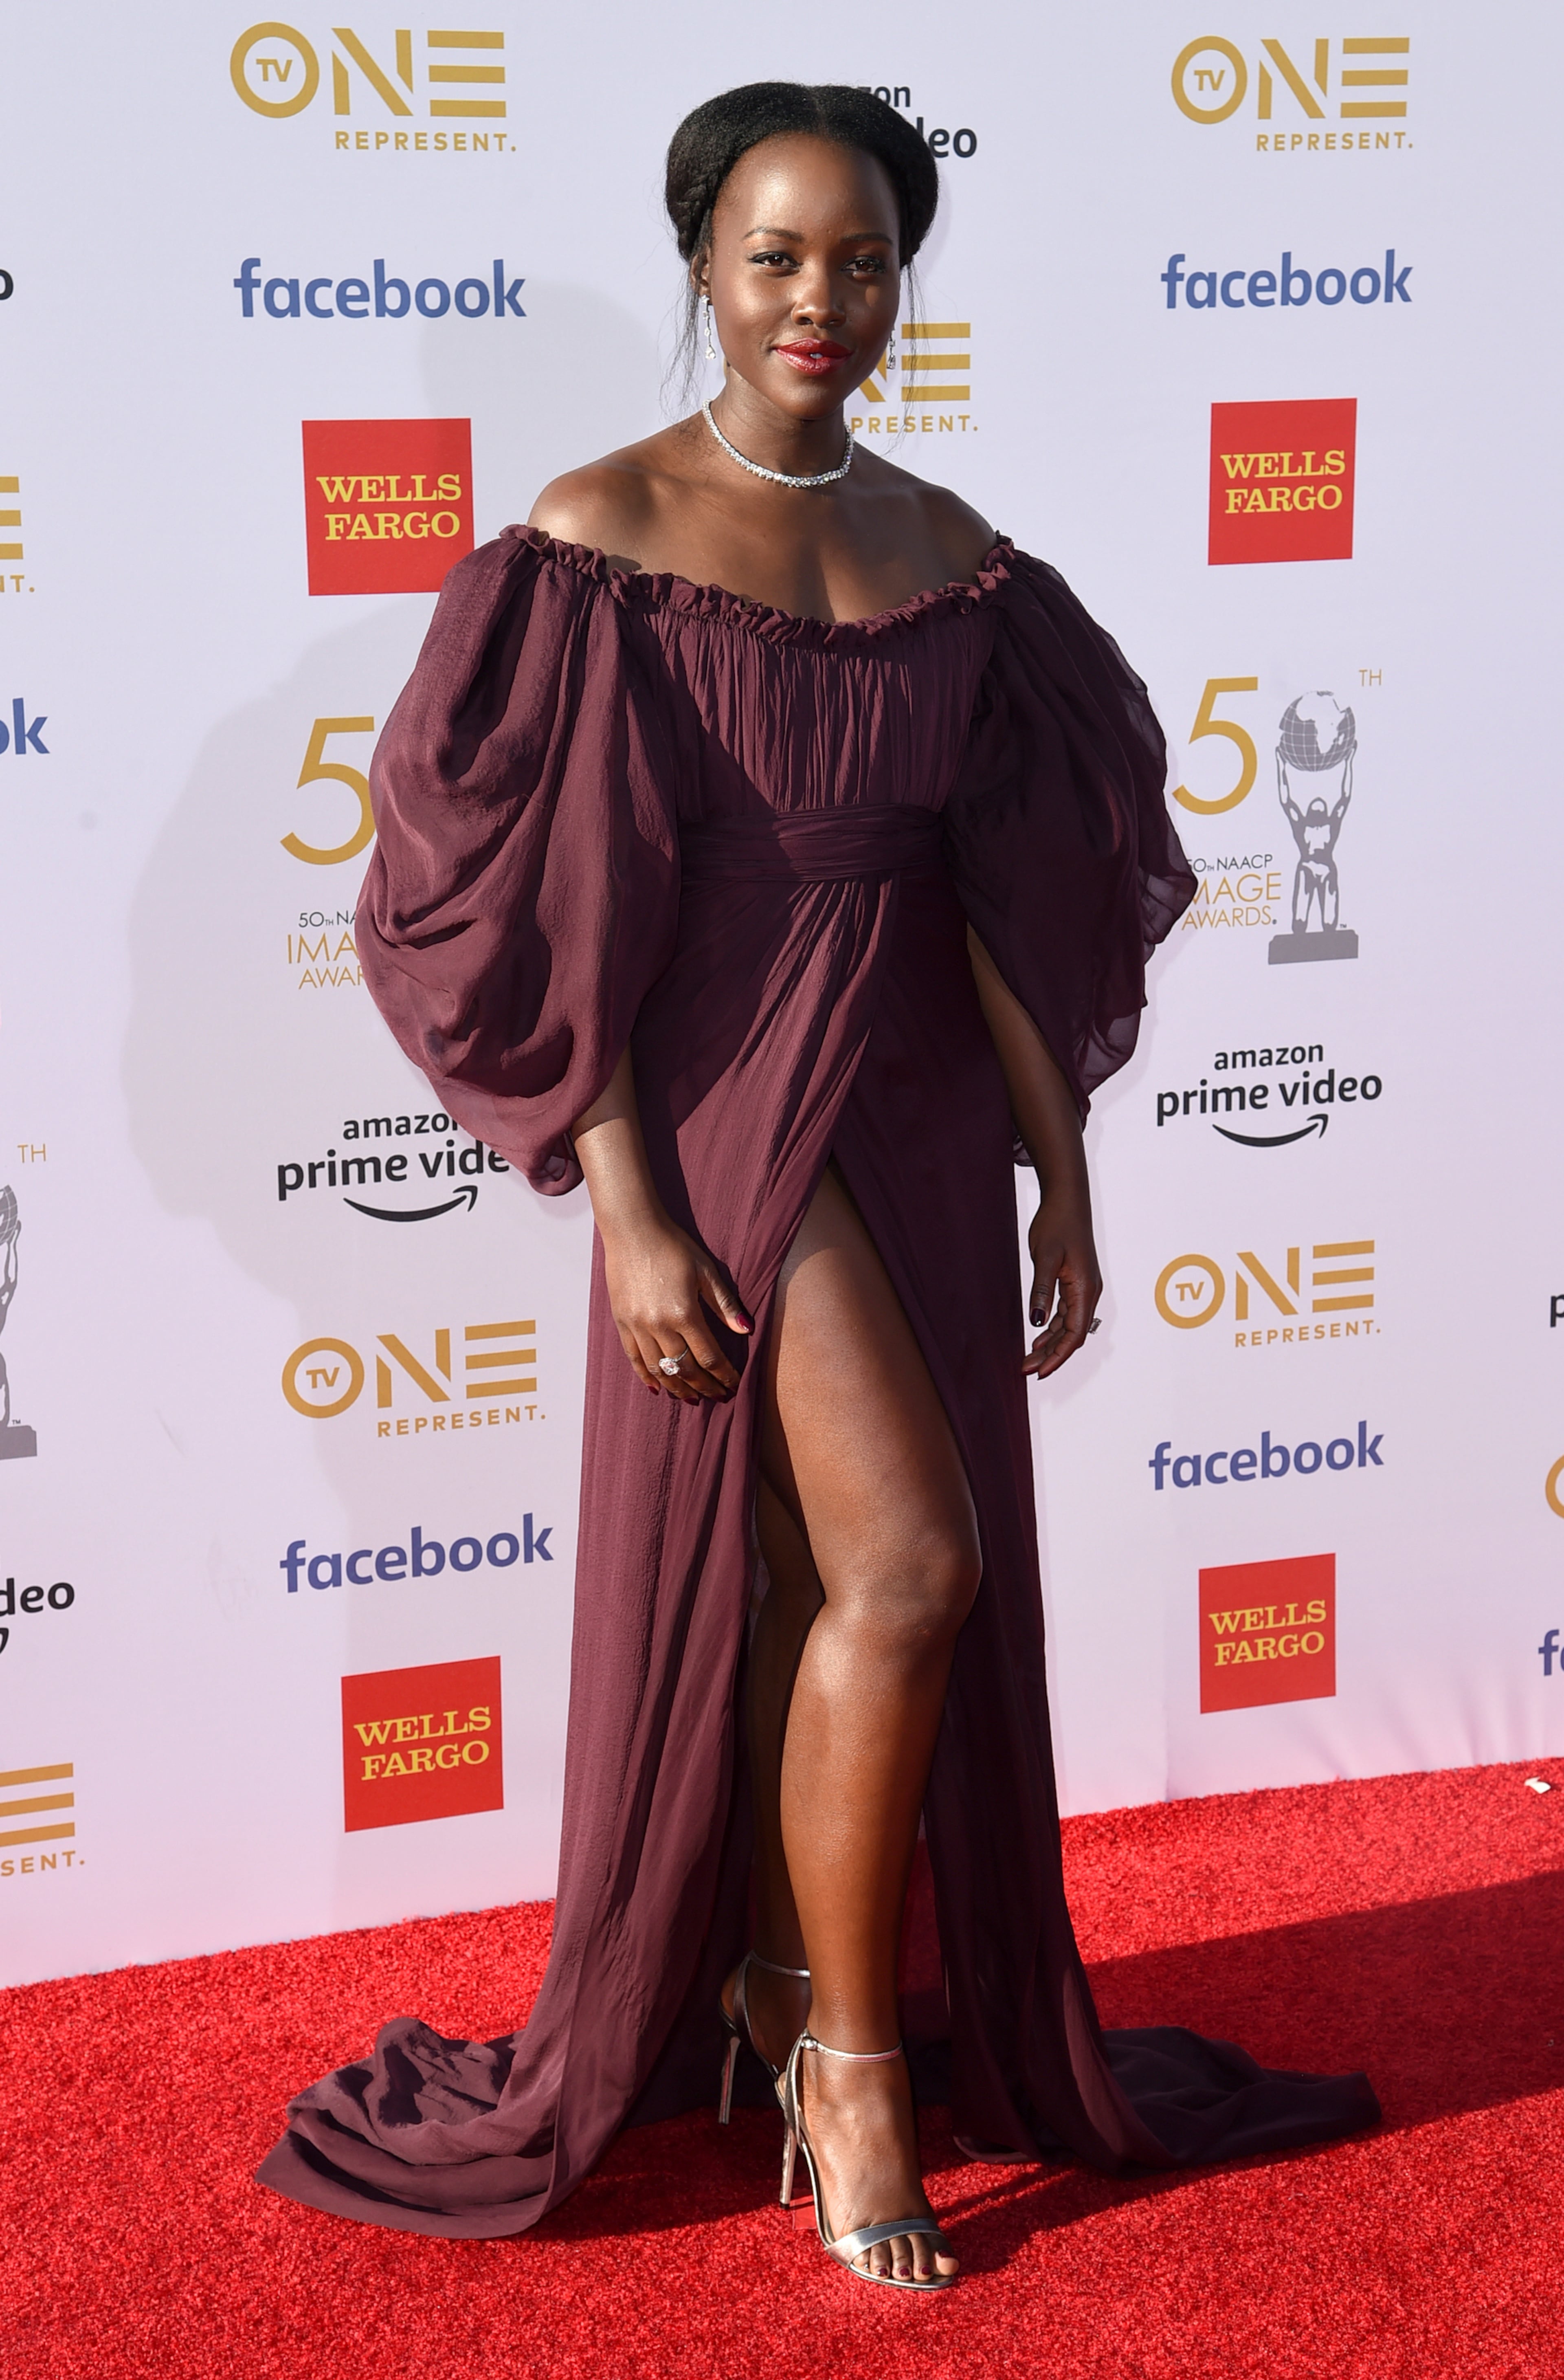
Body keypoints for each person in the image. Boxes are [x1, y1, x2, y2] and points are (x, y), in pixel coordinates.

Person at [258, 81, 1377, 2292]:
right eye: (775, 256)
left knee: (817, 1580)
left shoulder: (953, 553)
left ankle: (785, 1992)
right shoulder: (590, 538)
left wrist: (1066, 1165)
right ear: (701, 264)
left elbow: (985, 893)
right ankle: (850, 2065)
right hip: (716, 1109)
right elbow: (533, 904)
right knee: (915, 1556)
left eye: (861, 258)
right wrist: (627, 1197)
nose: (819, 300)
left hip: (927, 1099)